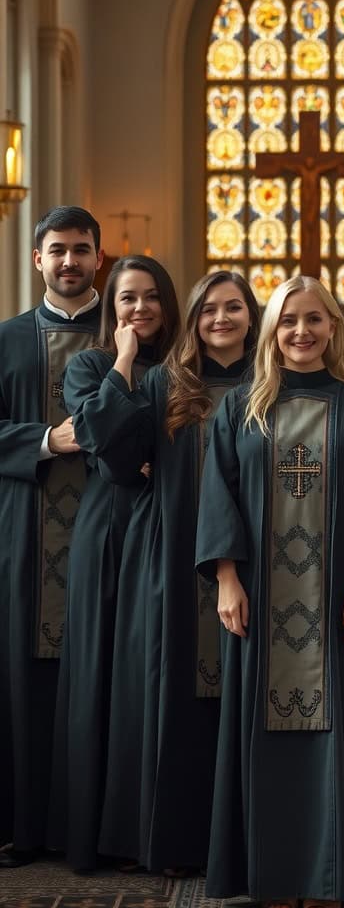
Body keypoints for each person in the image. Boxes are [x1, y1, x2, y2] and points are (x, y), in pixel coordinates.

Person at [196, 275, 344, 908]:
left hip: (338, 596)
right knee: (266, 735)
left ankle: (328, 873)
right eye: (288, 321)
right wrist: (226, 577)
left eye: (314, 320)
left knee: (340, 735)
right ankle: (272, 872)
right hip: (259, 595)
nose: (302, 332)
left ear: (333, 328)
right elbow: (218, 491)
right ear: (271, 331)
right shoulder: (241, 408)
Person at [86, 270, 260, 873]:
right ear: (192, 318)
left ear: (251, 315)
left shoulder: (273, 384)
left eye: (233, 307)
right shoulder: (164, 383)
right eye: (208, 308)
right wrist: (125, 359)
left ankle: (244, 839)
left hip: (257, 563)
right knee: (172, 691)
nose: (220, 319)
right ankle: (177, 841)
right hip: (171, 553)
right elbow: (110, 455)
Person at [48, 255, 181, 872]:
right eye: (128, 298)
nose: (140, 309)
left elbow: (160, 449)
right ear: (111, 306)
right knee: (105, 671)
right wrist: (124, 363)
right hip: (108, 531)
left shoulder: (187, 367)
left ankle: (157, 826)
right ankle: (101, 834)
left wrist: (140, 453)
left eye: (152, 297)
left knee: (152, 670)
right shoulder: (92, 364)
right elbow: (101, 440)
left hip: (168, 524)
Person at [0, 205, 103, 867]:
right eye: (57, 250)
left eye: (82, 250)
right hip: (23, 532)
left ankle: (95, 830)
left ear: (100, 257)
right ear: (37, 260)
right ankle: (19, 826)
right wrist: (43, 438)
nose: (69, 261)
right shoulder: (6, 338)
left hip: (109, 532)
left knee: (102, 679)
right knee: (19, 680)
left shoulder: (132, 331)